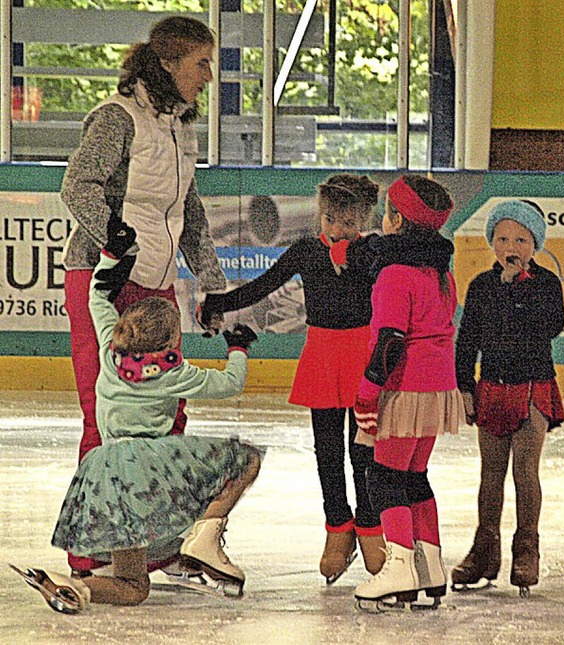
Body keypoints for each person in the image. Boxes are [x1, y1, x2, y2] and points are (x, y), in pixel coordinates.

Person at [16, 222, 261, 613]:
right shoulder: (174, 373)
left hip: (107, 474)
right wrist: (238, 348)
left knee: (134, 586)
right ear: (168, 344)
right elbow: (230, 384)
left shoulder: (109, 356)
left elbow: (97, 298)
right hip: (150, 473)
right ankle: (205, 535)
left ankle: (73, 587)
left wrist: (112, 256)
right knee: (246, 460)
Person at [60, 15, 226, 575]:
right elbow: (76, 184)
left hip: (156, 282)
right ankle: (90, 548)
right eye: (201, 62)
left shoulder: (180, 126)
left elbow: (190, 209)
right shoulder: (117, 118)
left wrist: (211, 280)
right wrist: (113, 237)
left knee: (167, 416)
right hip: (105, 279)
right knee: (106, 418)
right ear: (168, 64)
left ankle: (157, 543)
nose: (209, 74)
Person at [200, 174, 386, 583]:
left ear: (364, 219)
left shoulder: (373, 251)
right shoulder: (305, 250)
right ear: (321, 215)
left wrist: (356, 255)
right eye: (331, 219)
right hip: (322, 354)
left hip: (363, 359)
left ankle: (371, 526)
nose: (338, 230)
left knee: (364, 452)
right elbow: (263, 287)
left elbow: (390, 283)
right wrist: (219, 303)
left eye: (349, 222)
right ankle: (338, 526)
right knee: (327, 450)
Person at [352, 175, 464, 610]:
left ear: (395, 220)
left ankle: (398, 566)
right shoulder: (440, 272)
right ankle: (429, 564)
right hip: (438, 387)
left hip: (405, 387)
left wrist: (367, 391)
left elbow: (391, 342)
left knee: (384, 477)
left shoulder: (396, 273)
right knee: (413, 476)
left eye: (387, 211)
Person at [451, 199, 564, 597]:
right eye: (502, 237)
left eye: (520, 238)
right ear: (492, 242)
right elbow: (467, 341)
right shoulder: (482, 286)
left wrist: (520, 288)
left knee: (525, 472)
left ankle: (526, 550)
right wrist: (464, 386)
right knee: (490, 475)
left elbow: (550, 327)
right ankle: (484, 551)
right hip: (491, 388)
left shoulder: (547, 284)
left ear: (534, 244)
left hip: (532, 385)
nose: (510, 245)